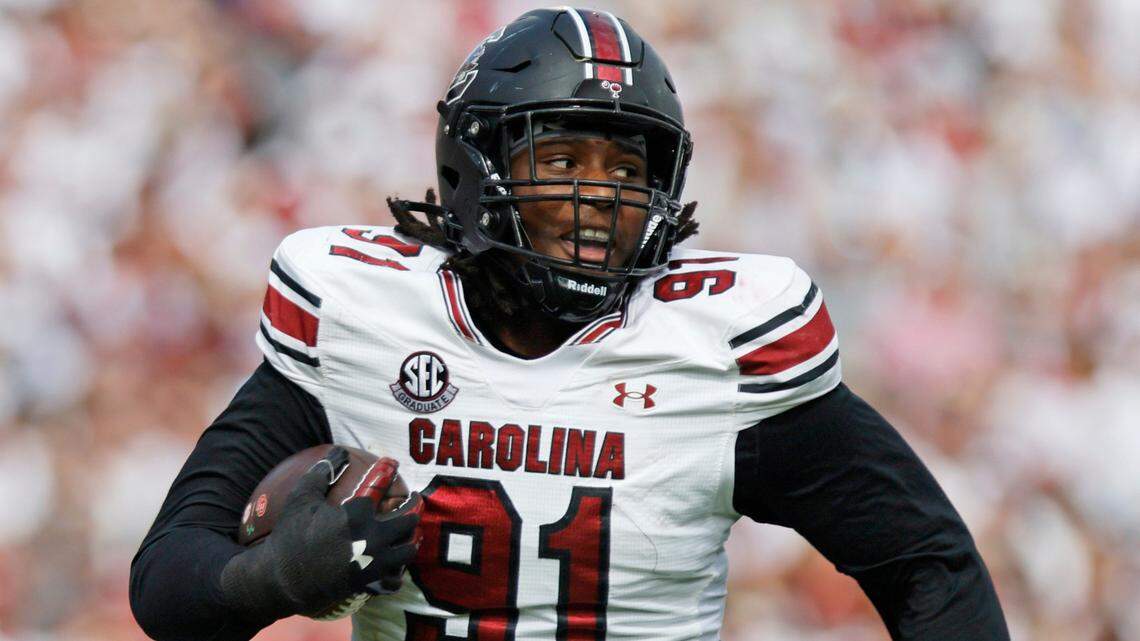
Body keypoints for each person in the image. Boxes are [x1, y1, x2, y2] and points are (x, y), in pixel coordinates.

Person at [130, 7, 1009, 641]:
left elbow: (929, 566)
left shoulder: (716, 350)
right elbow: (168, 580)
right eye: (561, 159)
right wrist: (273, 579)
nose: (599, 198)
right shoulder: (363, 320)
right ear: (473, 168)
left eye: (627, 169)